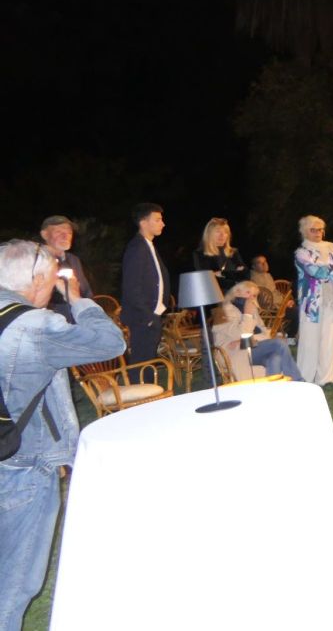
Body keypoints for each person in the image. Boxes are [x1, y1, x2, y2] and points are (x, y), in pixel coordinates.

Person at [0, 239, 126, 630]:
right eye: (53, 278)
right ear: (38, 279)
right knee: (14, 584)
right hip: (24, 464)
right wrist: (77, 298)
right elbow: (111, 342)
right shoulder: (35, 327)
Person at [294, 215, 333, 386]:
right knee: (309, 341)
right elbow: (315, 272)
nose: (318, 233)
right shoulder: (302, 252)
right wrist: (332, 270)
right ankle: (305, 379)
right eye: (313, 230)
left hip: (332, 300)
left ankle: (326, 379)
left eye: (320, 229)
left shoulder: (331, 247)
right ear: (305, 232)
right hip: (311, 304)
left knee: (329, 341)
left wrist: (331, 270)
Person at [210, 281, 304, 382]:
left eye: (254, 295)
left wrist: (255, 338)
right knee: (278, 344)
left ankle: (273, 388)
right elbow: (241, 335)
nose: (251, 298)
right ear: (237, 292)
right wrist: (247, 314)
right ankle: (297, 381)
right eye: (248, 293)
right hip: (234, 352)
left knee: (275, 357)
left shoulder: (252, 309)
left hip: (250, 346)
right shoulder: (223, 311)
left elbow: (262, 331)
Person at [120, 202, 170, 366]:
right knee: (141, 363)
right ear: (143, 222)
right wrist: (148, 316)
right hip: (143, 318)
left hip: (151, 315)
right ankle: (138, 384)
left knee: (148, 361)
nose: (162, 223)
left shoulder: (148, 245)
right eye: (157, 220)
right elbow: (131, 287)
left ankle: (147, 384)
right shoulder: (137, 247)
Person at [39, 215, 94, 322]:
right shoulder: (35, 260)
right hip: (49, 324)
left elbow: (86, 292)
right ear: (44, 234)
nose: (65, 236)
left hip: (76, 323)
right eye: (58, 231)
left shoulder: (73, 260)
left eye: (69, 232)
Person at [192, 218, 249, 292]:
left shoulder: (233, 252)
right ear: (209, 234)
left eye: (225, 232)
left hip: (236, 293)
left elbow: (245, 275)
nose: (222, 235)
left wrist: (222, 273)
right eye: (218, 231)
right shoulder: (200, 254)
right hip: (214, 295)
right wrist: (234, 276)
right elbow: (208, 280)